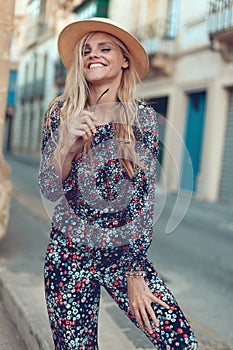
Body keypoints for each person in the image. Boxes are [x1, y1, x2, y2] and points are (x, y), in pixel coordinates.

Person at [38, 17, 198, 350]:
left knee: (180, 341)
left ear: (124, 59)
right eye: (86, 50)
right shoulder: (60, 113)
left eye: (104, 48)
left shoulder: (142, 119)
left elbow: (142, 201)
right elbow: (50, 189)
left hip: (121, 257)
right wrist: (68, 145)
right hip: (68, 255)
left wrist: (136, 273)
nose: (92, 56)